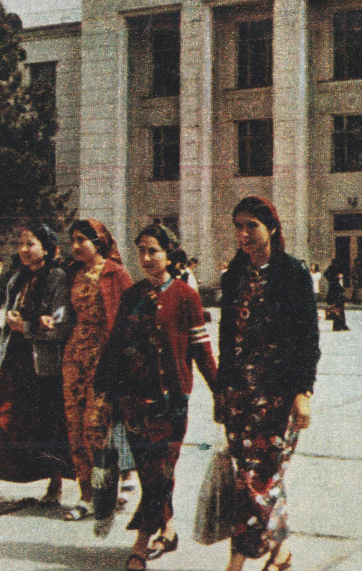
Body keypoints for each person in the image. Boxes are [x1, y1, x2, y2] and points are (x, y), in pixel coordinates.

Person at [94, 224, 217, 571]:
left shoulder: (185, 296)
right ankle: (168, 528)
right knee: (151, 473)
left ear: (169, 254)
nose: (147, 259)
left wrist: (220, 391)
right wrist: (105, 392)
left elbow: (202, 349)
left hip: (171, 398)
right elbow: (116, 345)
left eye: (154, 251)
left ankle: (140, 543)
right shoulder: (132, 296)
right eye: (142, 251)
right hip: (133, 400)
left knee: (161, 470)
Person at [216, 196, 319, 571]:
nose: (244, 234)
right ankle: (278, 554)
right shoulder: (235, 276)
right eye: (238, 226)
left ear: (272, 228)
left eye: (252, 226)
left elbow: (308, 338)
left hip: (277, 395)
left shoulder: (292, 274)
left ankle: (244, 561)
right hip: (238, 395)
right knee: (247, 479)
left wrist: (303, 392)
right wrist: (220, 389)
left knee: (262, 477)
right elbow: (227, 338)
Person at [0, 223, 75, 513]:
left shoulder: (57, 278)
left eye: (30, 243)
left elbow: (62, 325)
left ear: (47, 247)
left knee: (50, 424)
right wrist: (13, 322)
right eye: (20, 244)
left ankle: (55, 485)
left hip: (44, 364)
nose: (23, 249)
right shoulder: (16, 279)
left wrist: (28, 326)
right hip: (14, 359)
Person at [62, 218, 135, 521]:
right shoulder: (72, 274)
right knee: (75, 426)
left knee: (98, 427)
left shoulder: (115, 273)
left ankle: (104, 493)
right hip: (75, 356)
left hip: (105, 359)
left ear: (99, 242)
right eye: (73, 240)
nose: (76, 246)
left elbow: (130, 320)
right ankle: (85, 495)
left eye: (82, 239)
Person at [325, 260, 348, 331]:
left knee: (340, 309)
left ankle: (342, 324)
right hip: (335, 295)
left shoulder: (335, 277)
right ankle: (337, 326)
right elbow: (336, 286)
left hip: (338, 295)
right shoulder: (333, 279)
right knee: (337, 309)